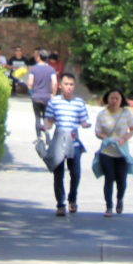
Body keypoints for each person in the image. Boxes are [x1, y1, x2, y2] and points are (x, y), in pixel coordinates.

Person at [42, 72, 90, 216]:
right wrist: (44, 127)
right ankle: (60, 204)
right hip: (59, 142)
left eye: (71, 84)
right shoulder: (54, 102)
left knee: (75, 174)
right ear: (60, 85)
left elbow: (84, 121)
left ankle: (72, 199)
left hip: (73, 142)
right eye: (66, 84)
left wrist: (86, 124)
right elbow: (49, 121)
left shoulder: (79, 103)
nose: (69, 87)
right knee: (58, 174)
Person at [94, 87, 133, 216]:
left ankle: (119, 199)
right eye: (111, 98)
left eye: (117, 98)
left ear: (121, 100)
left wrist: (125, 138)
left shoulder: (126, 113)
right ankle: (108, 206)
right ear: (107, 99)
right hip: (107, 152)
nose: (114, 101)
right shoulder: (102, 115)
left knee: (122, 180)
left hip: (121, 152)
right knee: (109, 178)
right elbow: (97, 131)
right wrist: (105, 138)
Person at [26, 48, 57, 137]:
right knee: (45, 116)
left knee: (37, 117)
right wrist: (53, 94)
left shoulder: (33, 69)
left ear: (39, 57)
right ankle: (47, 133)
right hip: (47, 96)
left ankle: (39, 137)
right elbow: (54, 83)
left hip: (36, 96)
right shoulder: (51, 69)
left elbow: (30, 83)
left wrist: (31, 93)